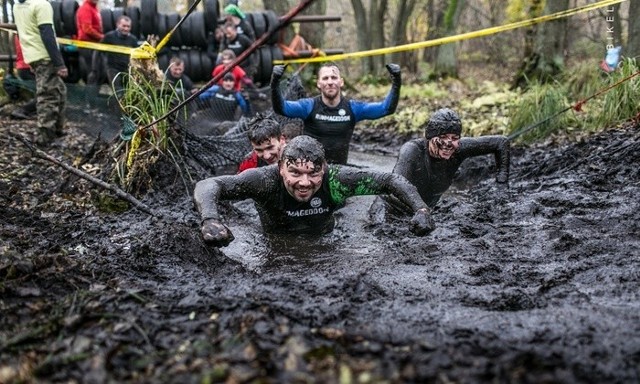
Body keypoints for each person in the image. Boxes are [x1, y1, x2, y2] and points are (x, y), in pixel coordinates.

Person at [193, 135, 435, 247]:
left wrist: (421, 208)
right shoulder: (263, 181)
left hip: (325, 241)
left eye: (313, 174)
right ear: (280, 169)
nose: (304, 182)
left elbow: (390, 180)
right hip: (276, 243)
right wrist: (211, 220)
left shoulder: (337, 180)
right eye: (295, 173)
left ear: (325, 169)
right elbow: (208, 184)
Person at [369, 108, 510, 220]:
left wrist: (502, 184)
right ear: (429, 137)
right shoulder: (411, 150)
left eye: (454, 138)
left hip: (425, 211)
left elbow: (501, 142)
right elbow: (396, 184)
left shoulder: (460, 148)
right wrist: (421, 209)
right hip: (390, 210)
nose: (448, 144)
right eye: (442, 137)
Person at [270, 62, 401, 165]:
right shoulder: (308, 106)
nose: (330, 82)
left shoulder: (353, 108)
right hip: (310, 172)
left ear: (341, 82)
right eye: (325, 78)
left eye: (334, 77)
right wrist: (274, 82)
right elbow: (282, 108)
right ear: (319, 84)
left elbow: (386, 109)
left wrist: (396, 81)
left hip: (340, 171)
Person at [13, 0, 68, 146]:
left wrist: (29, 59)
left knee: (60, 90)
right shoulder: (41, 5)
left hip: (34, 56)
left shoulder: (18, 5)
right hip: (45, 57)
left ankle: (58, 130)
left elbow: (21, 33)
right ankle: (46, 136)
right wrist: (59, 63)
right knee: (48, 97)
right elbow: (47, 33)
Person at [100, 15, 138, 96]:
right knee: (118, 93)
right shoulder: (109, 36)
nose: (126, 29)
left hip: (127, 70)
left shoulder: (133, 39)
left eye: (128, 26)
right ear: (117, 25)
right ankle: (115, 108)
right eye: (124, 26)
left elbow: (137, 55)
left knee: (128, 93)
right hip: (113, 69)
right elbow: (99, 51)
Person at [10, 35, 37, 120]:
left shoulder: (20, 32)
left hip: (24, 67)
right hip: (28, 67)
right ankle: (22, 110)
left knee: (43, 92)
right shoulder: (25, 33)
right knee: (45, 93)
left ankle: (27, 111)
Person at [75, 0, 103, 81]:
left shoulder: (94, 8)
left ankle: (93, 92)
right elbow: (87, 29)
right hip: (87, 45)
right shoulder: (85, 9)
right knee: (92, 72)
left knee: (97, 71)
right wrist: (102, 37)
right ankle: (90, 93)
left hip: (94, 45)